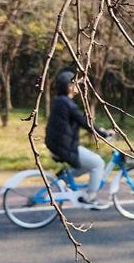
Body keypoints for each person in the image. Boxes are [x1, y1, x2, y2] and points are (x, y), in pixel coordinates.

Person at [45, 70, 112, 205]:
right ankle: (90, 197)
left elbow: (79, 122)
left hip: (59, 144)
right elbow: (84, 122)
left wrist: (99, 130)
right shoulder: (67, 104)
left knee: (88, 165)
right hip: (64, 146)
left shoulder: (60, 102)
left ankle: (62, 180)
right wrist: (103, 133)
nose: (78, 87)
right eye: (76, 84)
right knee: (98, 163)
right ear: (69, 86)